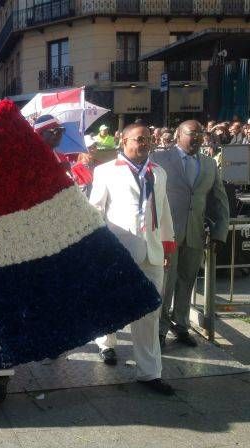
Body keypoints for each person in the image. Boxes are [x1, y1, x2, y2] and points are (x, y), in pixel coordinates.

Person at [89, 123, 176, 395]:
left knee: (150, 312)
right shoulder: (105, 172)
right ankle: (107, 343)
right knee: (111, 302)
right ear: (124, 141)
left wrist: (167, 246)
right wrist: (98, 248)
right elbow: (95, 211)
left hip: (152, 252)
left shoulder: (158, 173)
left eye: (148, 139)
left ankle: (149, 373)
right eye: (139, 139)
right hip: (120, 251)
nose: (145, 144)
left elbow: (163, 211)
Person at [151, 120, 229, 348]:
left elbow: (219, 200)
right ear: (178, 135)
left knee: (187, 282)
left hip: (195, 234)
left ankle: (181, 325)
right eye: (192, 133)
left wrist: (219, 232)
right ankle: (160, 329)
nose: (197, 137)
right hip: (167, 234)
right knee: (166, 282)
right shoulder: (159, 158)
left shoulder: (208, 164)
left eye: (200, 133)